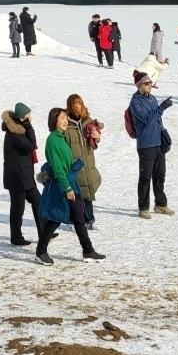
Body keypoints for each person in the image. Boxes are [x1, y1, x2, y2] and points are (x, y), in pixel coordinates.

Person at [34, 108, 102, 265]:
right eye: (62, 118)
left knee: (78, 217)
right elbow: (58, 169)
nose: (65, 121)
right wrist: (68, 189)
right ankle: (40, 252)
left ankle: (88, 251)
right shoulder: (53, 140)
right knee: (55, 219)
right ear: (54, 121)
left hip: (69, 183)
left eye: (66, 118)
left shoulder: (62, 137)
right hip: (62, 186)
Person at [127, 70, 175, 219]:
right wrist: (161, 108)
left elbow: (158, 120)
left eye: (150, 83)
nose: (150, 85)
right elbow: (147, 118)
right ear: (139, 85)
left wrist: (164, 134)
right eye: (147, 83)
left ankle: (160, 204)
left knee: (160, 175)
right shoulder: (135, 102)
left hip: (158, 142)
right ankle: (143, 207)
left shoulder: (152, 99)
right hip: (146, 144)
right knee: (145, 177)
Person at [2, 103, 40, 246]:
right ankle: (16, 237)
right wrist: (29, 126)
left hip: (25, 176)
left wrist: (27, 127)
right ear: (23, 117)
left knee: (38, 202)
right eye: (28, 115)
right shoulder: (15, 133)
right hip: (17, 177)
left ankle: (44, 231)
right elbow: (31, 145)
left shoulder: (19, 130)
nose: (31, 117)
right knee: (18, 209)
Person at [63, 94, 103, 227]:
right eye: (74, 104)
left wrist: (97, 137)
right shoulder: (65, 125)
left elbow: (93, 143)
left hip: (88, 163)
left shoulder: (88, 121)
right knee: (77, 194)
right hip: (74, 165)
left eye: (79, 103)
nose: (77, 107)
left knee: (87, 191)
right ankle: (76, 221)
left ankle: (89, 220)